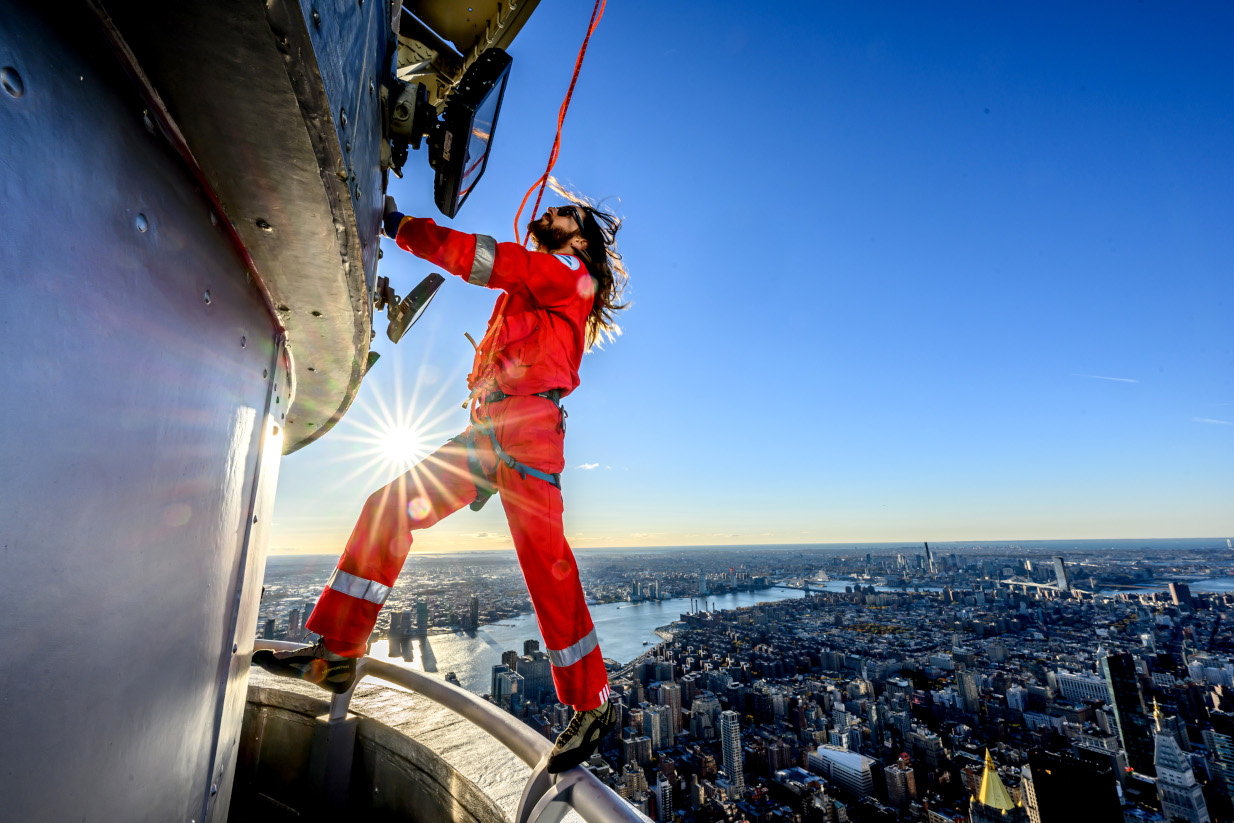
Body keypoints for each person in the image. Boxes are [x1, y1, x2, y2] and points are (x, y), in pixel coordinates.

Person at [254, 193, 627, 773]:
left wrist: (402, 227)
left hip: (527, 430)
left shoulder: (565, 272)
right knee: (390, 505)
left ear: (578, 241)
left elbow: (483, 259)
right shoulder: (538, 288)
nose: (551, 214)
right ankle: (339, 654)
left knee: (545, 562)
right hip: (492, 429)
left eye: (565, 215)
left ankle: (592, 702)